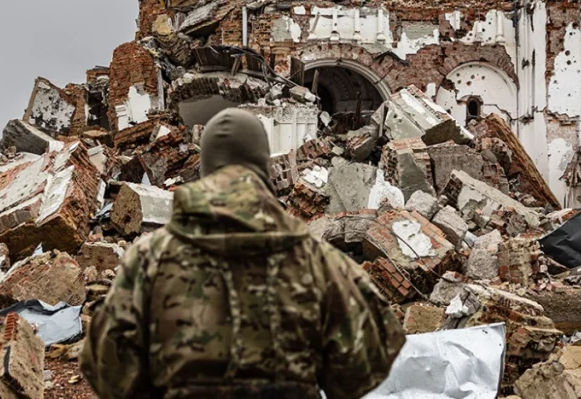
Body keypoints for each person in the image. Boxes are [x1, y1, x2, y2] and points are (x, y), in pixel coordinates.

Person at [80, 108, 405, 399]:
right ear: (262, 166)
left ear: (207, 168)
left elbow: (108, 372)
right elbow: (362, 370)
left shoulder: (150, 259)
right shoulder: (316, 260)